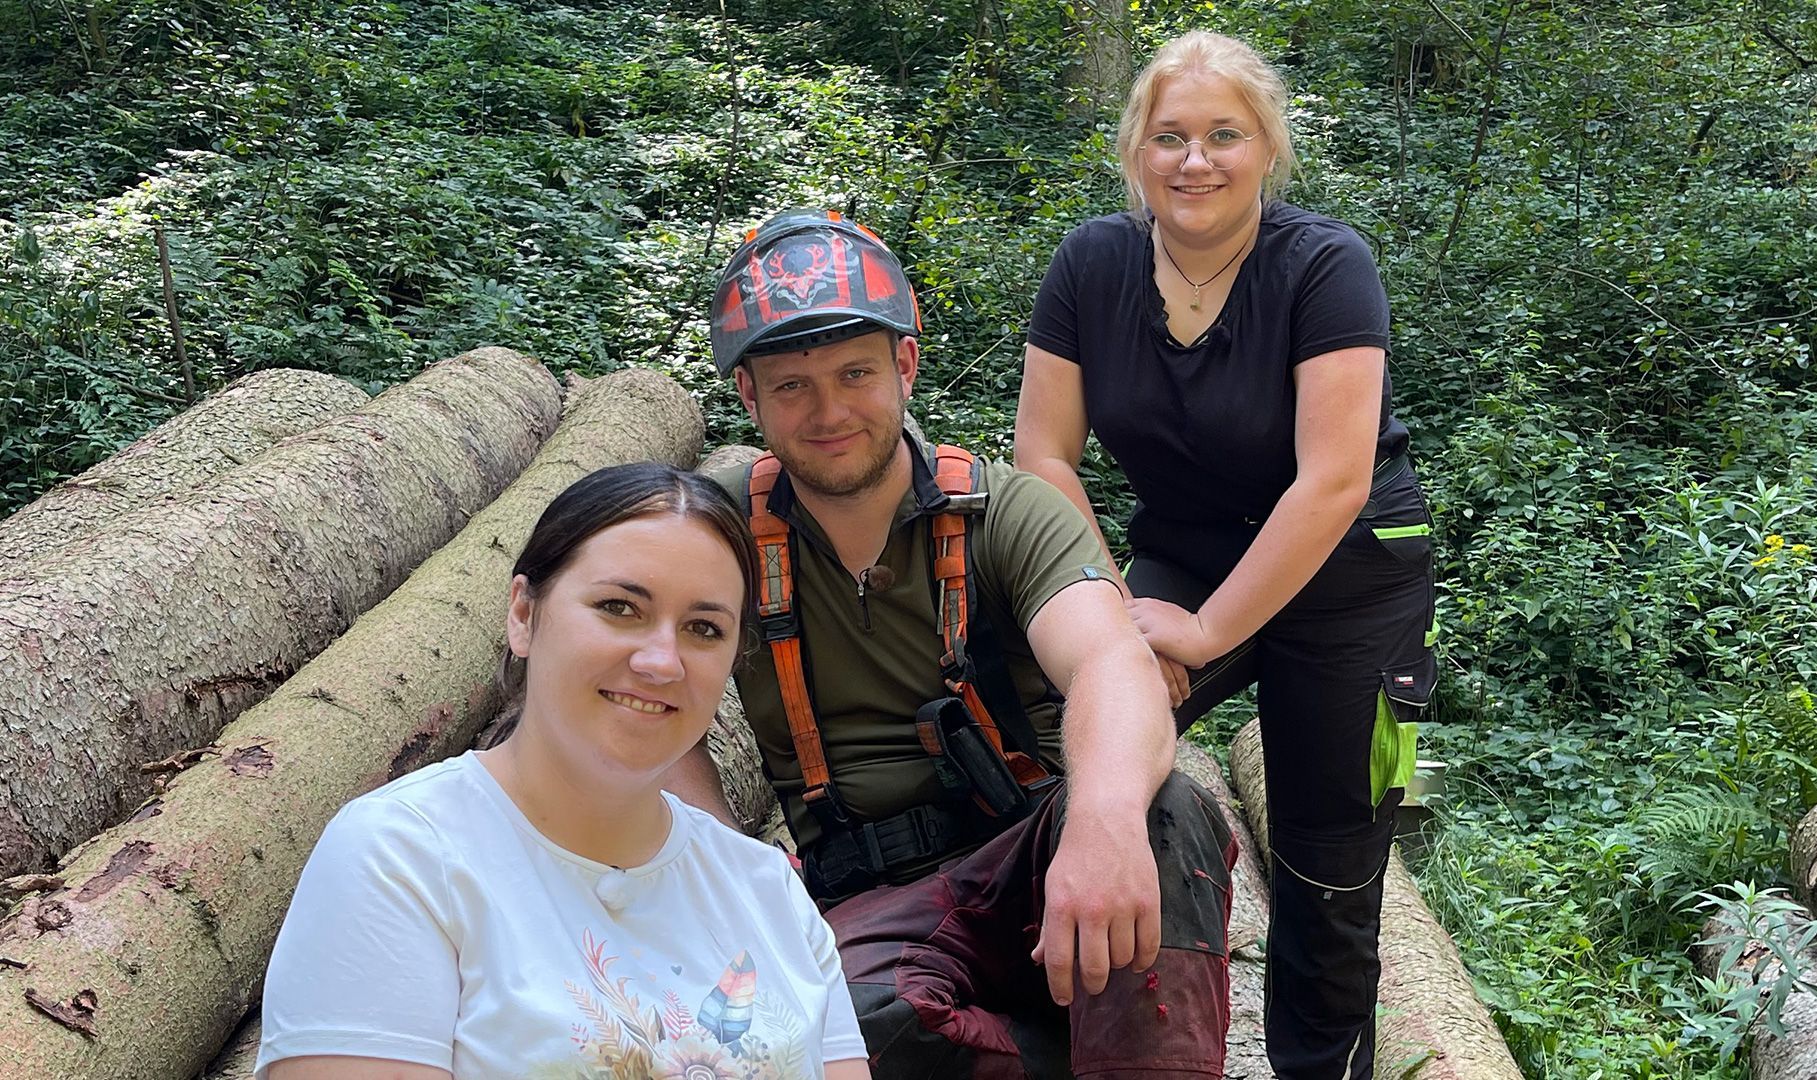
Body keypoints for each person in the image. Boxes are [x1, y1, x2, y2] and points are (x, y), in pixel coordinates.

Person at [666, 208, 1237, 1079]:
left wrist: (1104, 820)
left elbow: (1111, 661)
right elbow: (646, 704)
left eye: (856, 373)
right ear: (748, 397)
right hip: (864, 899)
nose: (829, 412)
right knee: (849, 1026)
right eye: (791, 385)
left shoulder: (1005, 511)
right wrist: (732, 883)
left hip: (1031, 858)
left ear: (905, 365)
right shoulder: (718, 535)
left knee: (1166, 812)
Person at [1014, 30, 1437, 1080]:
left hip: (1349, 577)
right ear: (1134, 152)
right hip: (1185, 553)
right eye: (1169, 137)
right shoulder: (1092, 264)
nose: (1194, 160)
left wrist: (1202, 635)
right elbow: (1043, 456)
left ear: (1267, 150)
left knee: (1328, 866)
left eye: (1222, 135)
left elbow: (1331, 480)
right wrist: (1117, 623)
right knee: (1053, 748)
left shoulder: (1324, 266)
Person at [256, 463, 871, 1080]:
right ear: (524, 614)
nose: (661, 661)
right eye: (619, 607)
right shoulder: (402, 858)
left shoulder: (768, 892)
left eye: (703, 629)